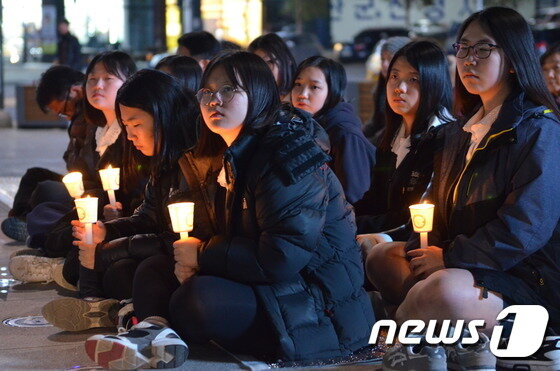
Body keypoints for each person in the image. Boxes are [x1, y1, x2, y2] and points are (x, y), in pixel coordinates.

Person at [82, 51, 374, 370]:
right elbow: (213, 230)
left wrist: (202, 255)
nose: (214, 100)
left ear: (259, 93)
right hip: (262, 282)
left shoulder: (287, 157)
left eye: (228, 90)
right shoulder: (224, 153)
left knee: (195, 301)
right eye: (207, 92)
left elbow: (281, 258)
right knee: (153, 268)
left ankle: (145, 325)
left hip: (313, 301)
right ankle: (153, 332)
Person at [367, 7, 560, 370]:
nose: (469, 60)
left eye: (483, 50)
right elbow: (437, 205)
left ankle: (403, 334)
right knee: (383, 258)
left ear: (515, 59)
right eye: (463, 48)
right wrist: (426, 249)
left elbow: (525, 229)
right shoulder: (460, 131)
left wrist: (449, 258)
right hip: (463, 263)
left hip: (524, 278)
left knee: (445, 290)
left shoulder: (539, 130)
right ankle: (453, 337)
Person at [41, 69, 200, 332]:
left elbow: (176, 240)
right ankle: (119, 312)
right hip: (159, 252)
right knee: (113, 266)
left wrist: (112, 249)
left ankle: (132, 319)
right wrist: (106, 230)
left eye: (136, 125)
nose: (130, 136)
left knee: (143, 269)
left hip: (190, 264)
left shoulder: (193, 162)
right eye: (125, 127)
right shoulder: (162, 160)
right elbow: (147, 216)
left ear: (164, 116)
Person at [9, 51, 144, 286]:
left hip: (120, 213)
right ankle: (48, 247)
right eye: (92, 79)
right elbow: (77, 166)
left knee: (59, 211)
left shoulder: (133, 131)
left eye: (108, 78)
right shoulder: (96, 127)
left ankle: (56, 262)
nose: (97, 85)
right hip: (94, 200)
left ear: (129, 82)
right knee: (51, 211)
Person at [354, 40, 453, 241]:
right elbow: (375, 197)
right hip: (382, 236)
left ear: (433, 82)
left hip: (416, 244)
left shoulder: (443, 138)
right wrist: (342, 215)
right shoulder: (391, 134)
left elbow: (411, 220)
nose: (400, 87)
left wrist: (348, 225)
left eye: (414, 79)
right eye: (395, 76)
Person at [1, 66, 89, 242]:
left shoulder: (95, 117)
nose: (66, 116)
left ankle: (32, 224)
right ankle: (20, 220)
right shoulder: (78, 120)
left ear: (75, 91)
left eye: (64, 111)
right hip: (80, 182)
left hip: (91, 188)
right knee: (34, 175)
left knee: (47, 188)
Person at [291, 56, 376, 205]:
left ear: (332, 91)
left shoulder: (344, 134)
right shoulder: (303, 127)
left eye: (314, 87)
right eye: (298, 84)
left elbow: (354, 199)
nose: (302, 94)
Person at [363, 36, 410, 145]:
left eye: (390, 59)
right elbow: (375, 122)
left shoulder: (407, 90)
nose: (384, 64)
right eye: (382, 59)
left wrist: (368, 144)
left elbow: (394, 128)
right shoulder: (380, 87)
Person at [248, 33, 296, 101]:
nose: (263, 69)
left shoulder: (300, 100)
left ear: (287, 60)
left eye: (270, 62)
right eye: (257, 64)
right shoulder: (252, 101)